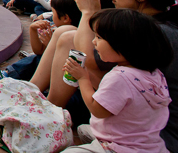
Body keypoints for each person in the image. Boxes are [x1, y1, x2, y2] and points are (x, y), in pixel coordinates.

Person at [62, 9, 172, 152]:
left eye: (99, 37)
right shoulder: (155, 74)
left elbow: (97, 110)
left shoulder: (120, 77)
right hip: (149, 145)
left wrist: (82, 78)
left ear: (124, 44)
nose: (93, 42)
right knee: (84, 129)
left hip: (120, 147)